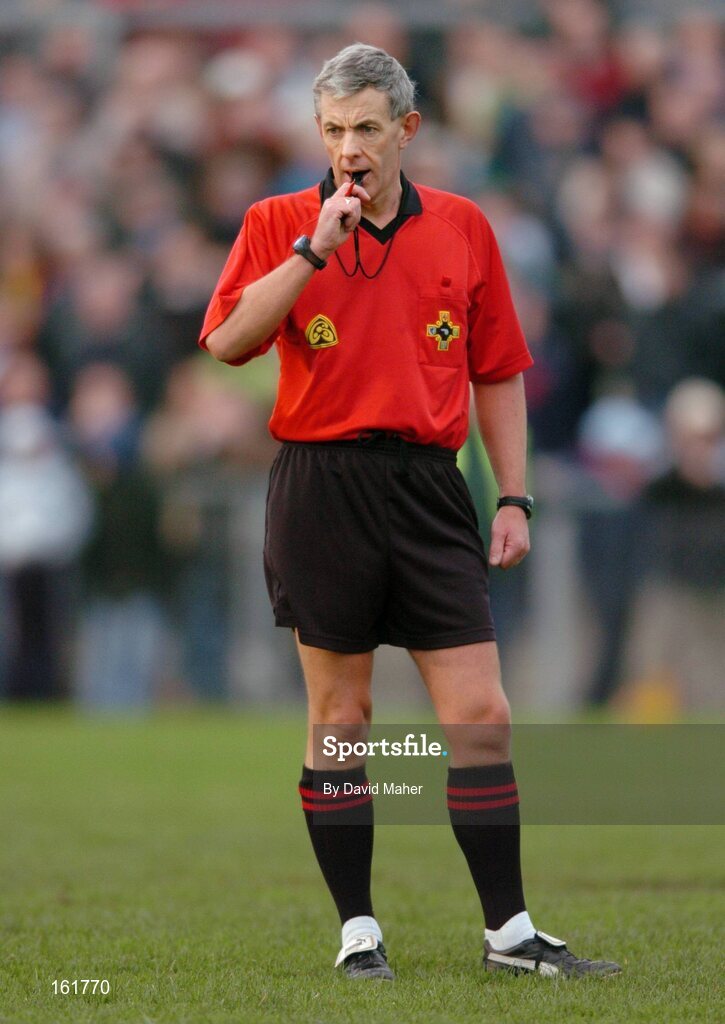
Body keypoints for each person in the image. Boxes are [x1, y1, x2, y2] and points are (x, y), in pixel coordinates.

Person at [200, 44, 620, 981]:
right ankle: (358, 933)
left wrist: (512, 496)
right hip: (321, 484)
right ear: (321, 134)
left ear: (407, 131)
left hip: (432, 489)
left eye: (366, 129)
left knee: (481, 715)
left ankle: (509, 933)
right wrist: (316, 245)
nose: (349, 148)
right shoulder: (278, 220)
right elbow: (227, 339)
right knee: (340, 717)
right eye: (333, 130)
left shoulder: (464, 226)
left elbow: (498, 370)